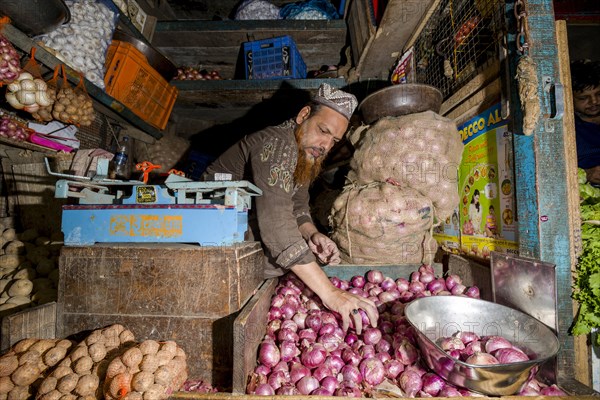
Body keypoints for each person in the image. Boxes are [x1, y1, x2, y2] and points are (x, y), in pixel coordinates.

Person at [202, 83, 378, 333]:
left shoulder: (304, 153)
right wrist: (331, 293)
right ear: (303, 115)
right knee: (283, 252)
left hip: (239, 230)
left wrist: (312, 234)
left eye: (334, 140)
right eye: (323, 130)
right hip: (213, 236)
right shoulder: (276, 143)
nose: (325, 145)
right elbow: (277, 227)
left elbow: (297, 204)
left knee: (298, 252)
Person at [571, 60, 600, 184]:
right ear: (570, 98)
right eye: (583, 98)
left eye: (599, 94)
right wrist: (587, 174)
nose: (594, 101)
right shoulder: (568, 130)